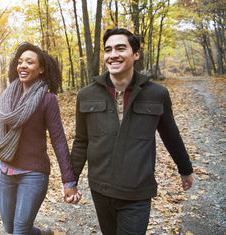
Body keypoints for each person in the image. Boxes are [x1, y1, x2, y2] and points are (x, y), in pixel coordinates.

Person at [71, 28, 194, 235]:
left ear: (136, 54)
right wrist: (71, 181)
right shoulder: (86, 95)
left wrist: (185, 168)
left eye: (121, 48)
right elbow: (81, 141)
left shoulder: (157, 94)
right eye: (108, 50)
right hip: (100, 188)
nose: (113, 55)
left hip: (137, 190)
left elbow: (171, 136)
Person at [0, 42, 80, 235]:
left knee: (21, 230)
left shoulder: (47, 100)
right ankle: (43, 233)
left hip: (33, 173)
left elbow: (58, 140)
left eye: (30, 62)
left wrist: (69, 181)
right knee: (10, 228)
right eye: (20, 61)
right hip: (7, 171)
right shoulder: (8, 96)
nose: (23, 65)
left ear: (41, 69)